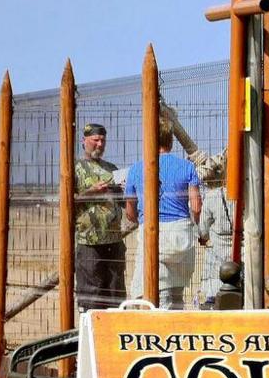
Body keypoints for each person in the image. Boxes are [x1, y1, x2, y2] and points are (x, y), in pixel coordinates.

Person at [123, 127, 201, 309]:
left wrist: (138, 219)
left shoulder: (136, 170)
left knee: (156, 293)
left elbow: (130, 212)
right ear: (171, 141)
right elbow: (196, 206)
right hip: (181, 235)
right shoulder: (187, 167)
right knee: (176, 293)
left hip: (154, 235)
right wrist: (194, 224)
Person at [73, 124, 126, 312]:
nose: (100, 144)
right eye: (95, 140)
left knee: (115, 295)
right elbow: (67, 203)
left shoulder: (112, 169)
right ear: (84, 141)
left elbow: (123, 202)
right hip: (89, 242)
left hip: (114, 240)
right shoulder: (75, 168)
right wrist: (91, 192)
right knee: (91, 296)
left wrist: (123, 191)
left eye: (103, 140)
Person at [195, 153, 235, 308]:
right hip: (244, 252)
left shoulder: (213, 196)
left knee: (213, 295)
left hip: (217, 251)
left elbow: (203, 230)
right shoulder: (251, 194)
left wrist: (203, 238)